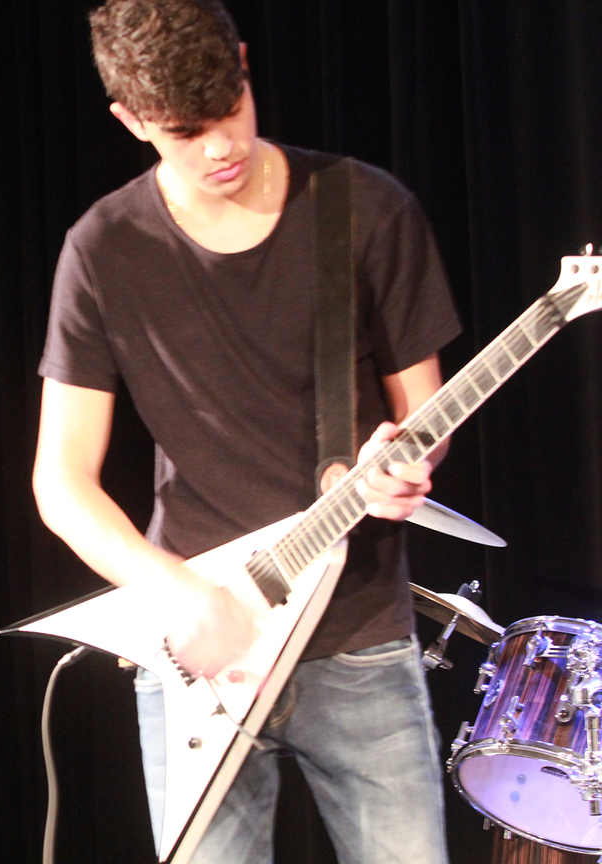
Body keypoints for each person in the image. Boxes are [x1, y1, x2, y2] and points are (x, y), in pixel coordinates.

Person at [31, 1, 462, 861]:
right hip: (199, 651)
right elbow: (62, 481)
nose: (219, 148)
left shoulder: (366, 208)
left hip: (358, 636)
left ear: (244, 62)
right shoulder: (103, 249)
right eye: (185, 133)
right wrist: (177, 592)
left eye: (229, 110)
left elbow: (426, 417)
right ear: (131, 120)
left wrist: (404, 463)